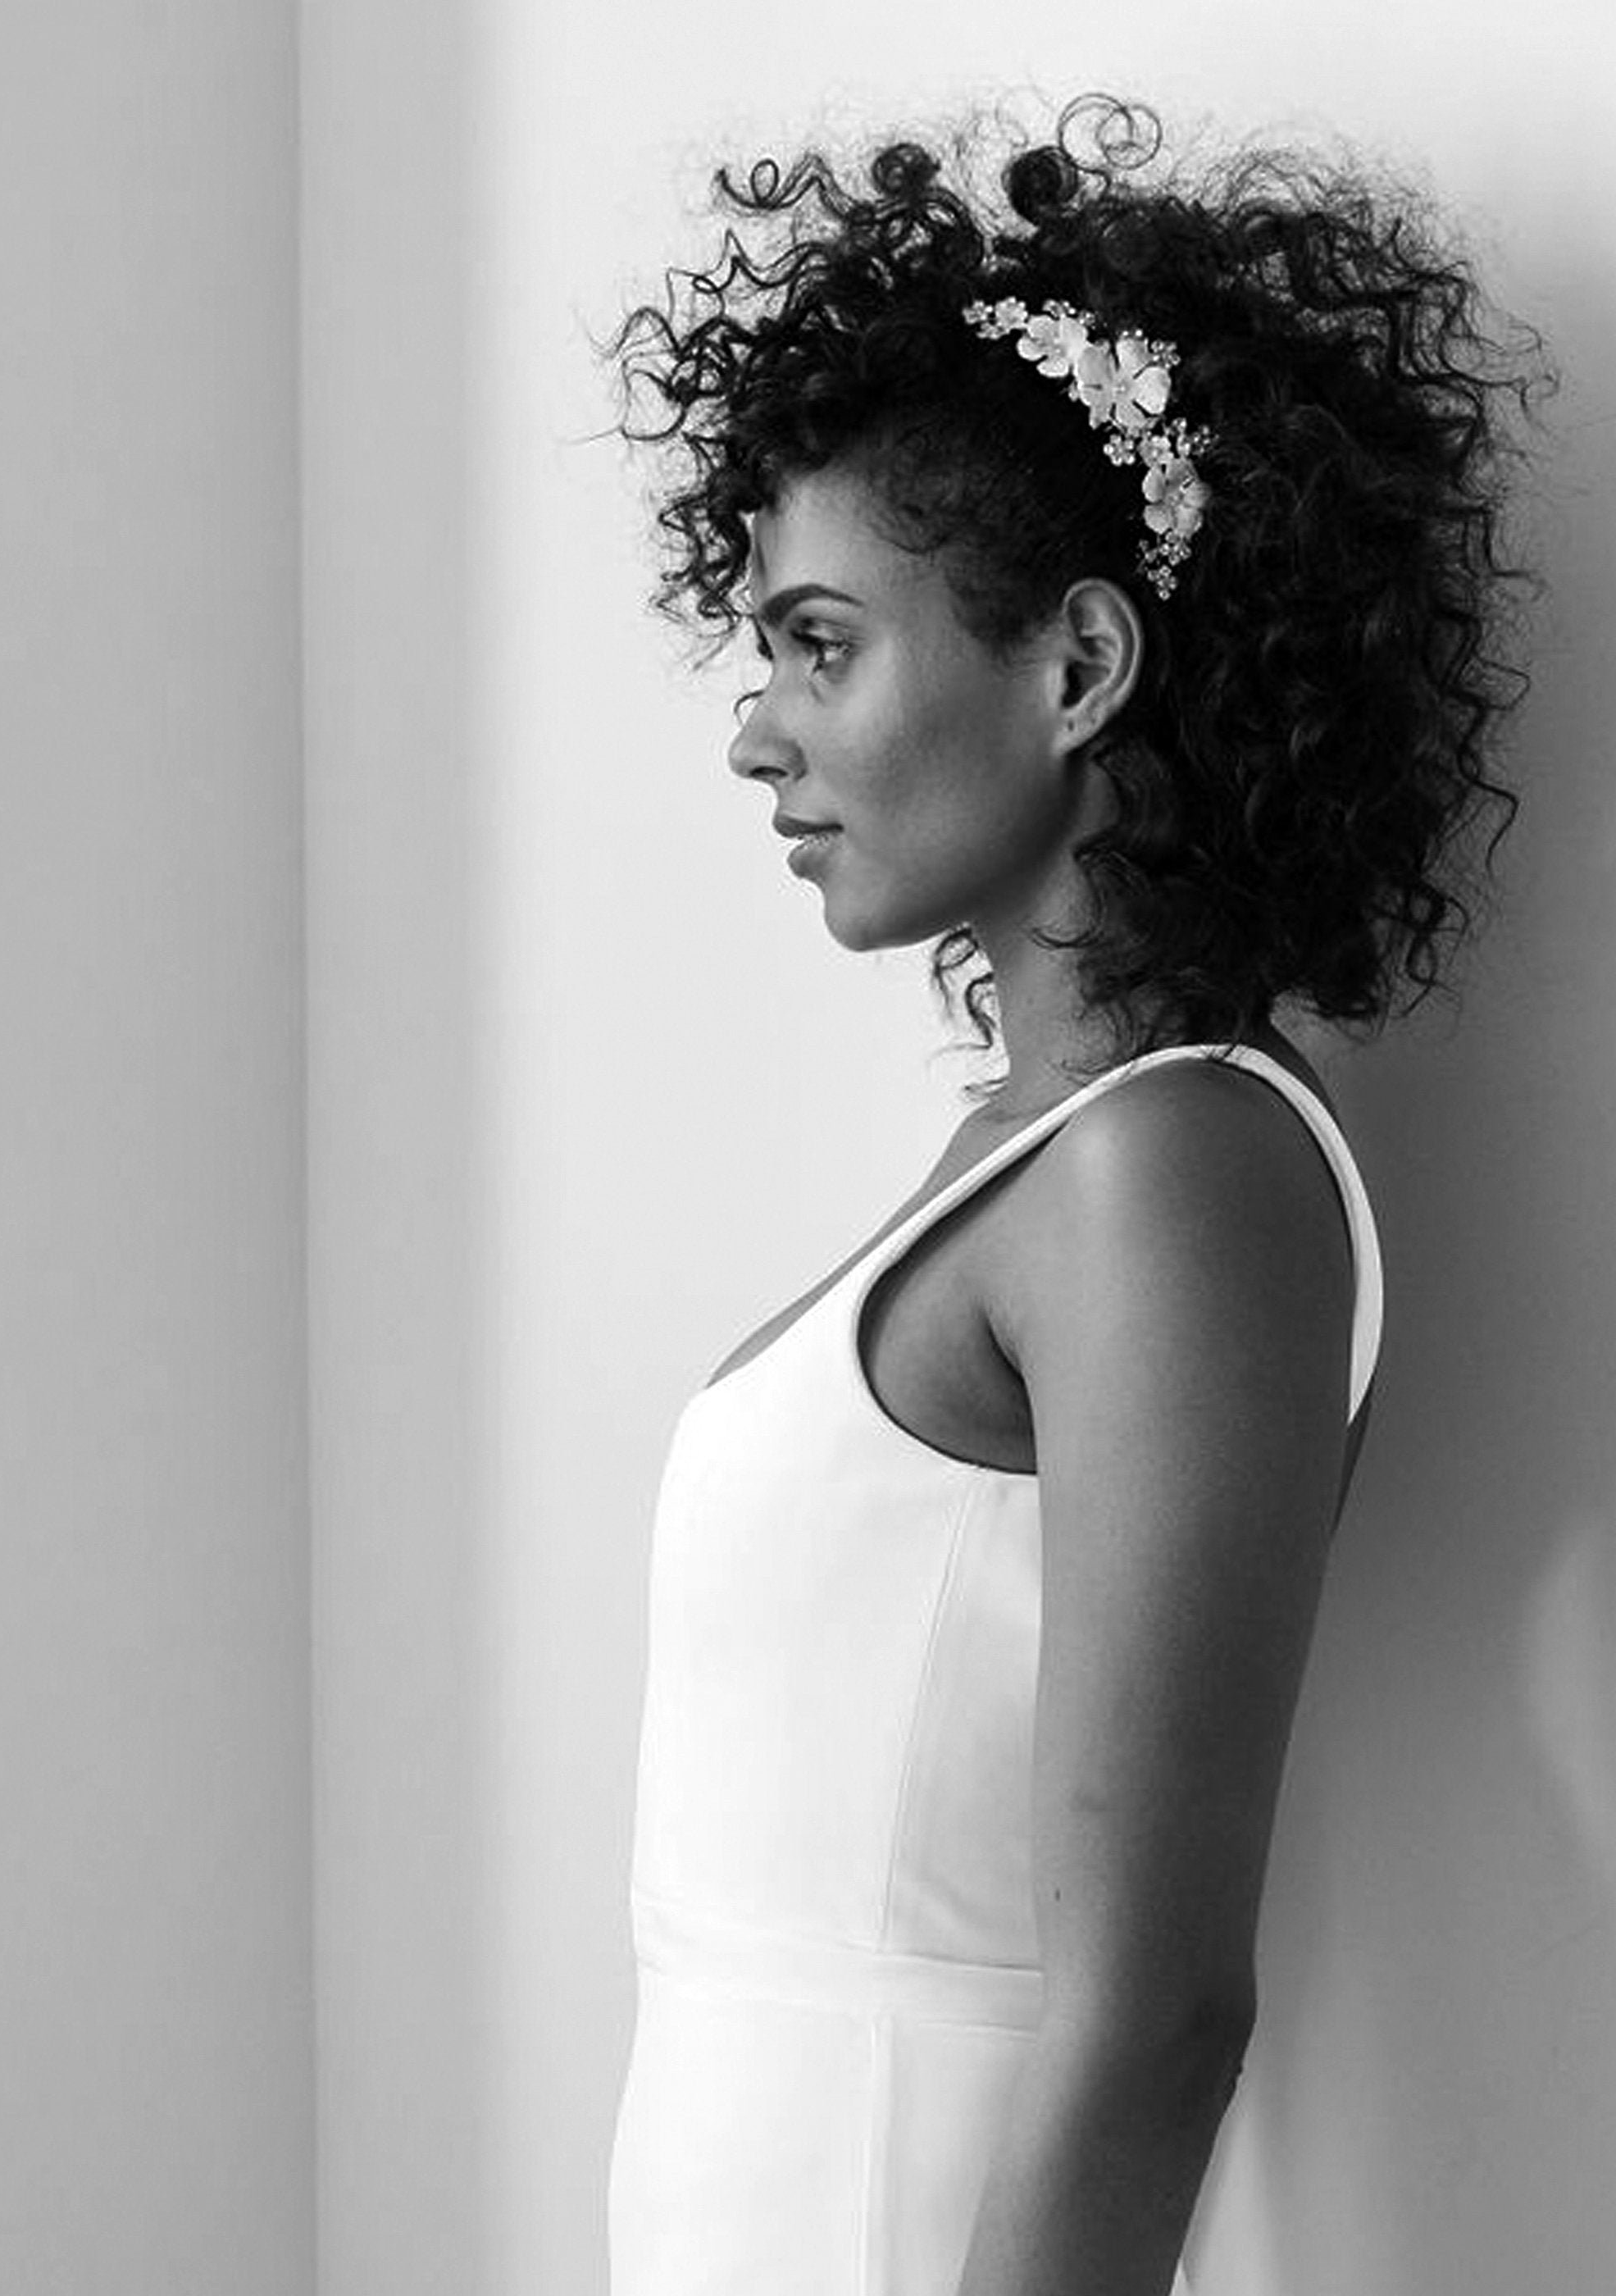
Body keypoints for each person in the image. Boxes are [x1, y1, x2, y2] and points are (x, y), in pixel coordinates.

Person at [601, 94, 1544, 2296]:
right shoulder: (1045, 1154)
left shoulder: (1172, 1174)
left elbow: (1155, 2016)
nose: (755, 730)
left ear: (1080, 667)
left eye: (822, 643)